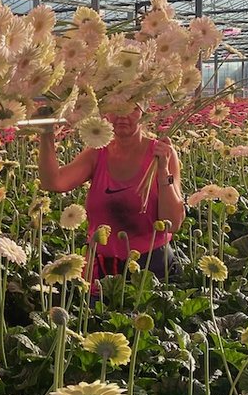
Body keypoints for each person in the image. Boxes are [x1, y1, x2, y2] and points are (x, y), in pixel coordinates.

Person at [37, 108, 185, 278]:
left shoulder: (161, 154)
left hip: (150, 268)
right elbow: (53, 182)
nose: (122, 115)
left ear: (143, 112)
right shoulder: (97, 153)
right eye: (115, 108)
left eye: (132, 108)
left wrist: (163, 170)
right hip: (101, 268)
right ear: (105, 113)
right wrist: (46, 132)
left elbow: (172, 223)